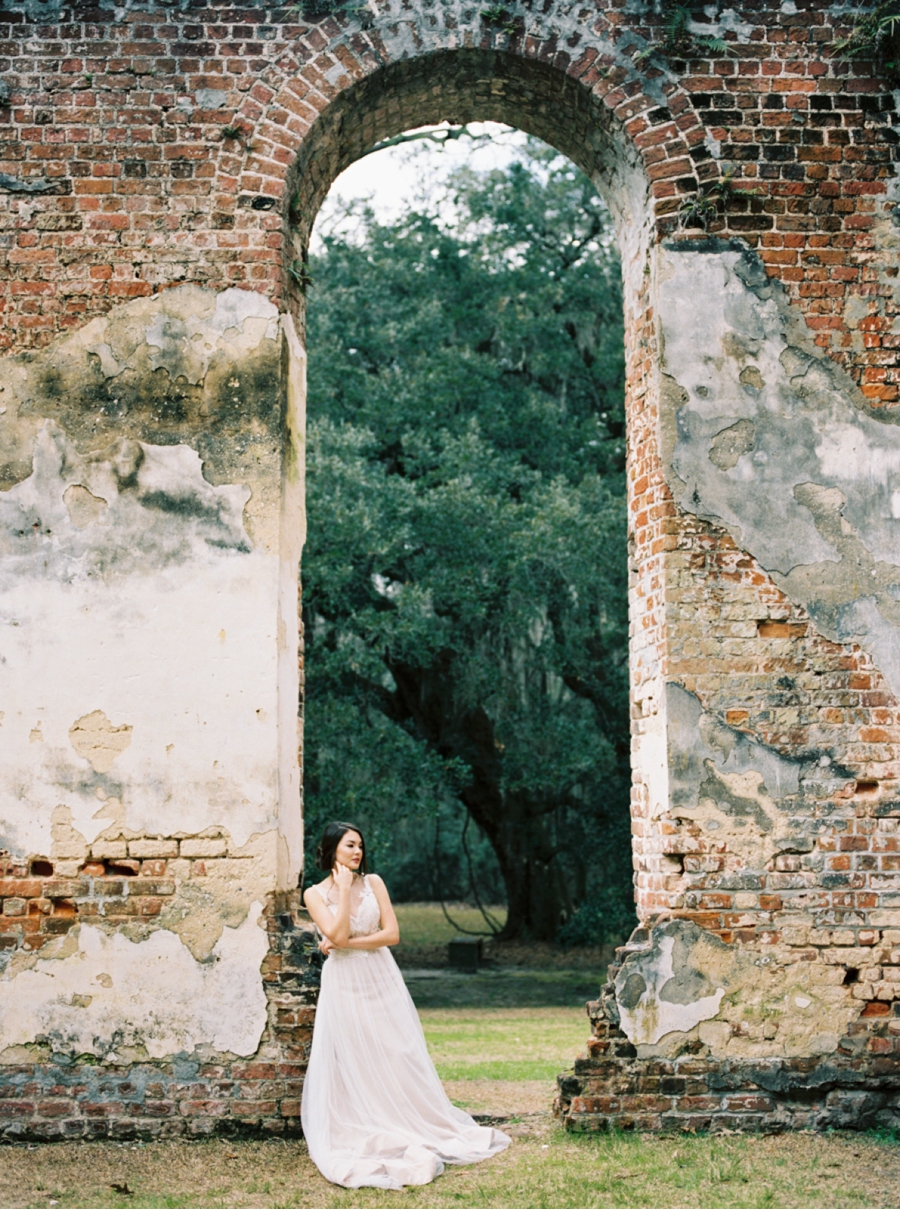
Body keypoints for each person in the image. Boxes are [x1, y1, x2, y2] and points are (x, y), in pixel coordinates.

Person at [300, 820, 510, 1189]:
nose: (357, 852)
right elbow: (334, 932)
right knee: (354, 1053)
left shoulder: (375, 882)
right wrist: (345, 892)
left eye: (360, 845)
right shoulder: (314, 894)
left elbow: (391, 934)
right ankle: (367, 1121)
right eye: (350, 845)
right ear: (332, 848)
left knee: (398, 1049)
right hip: (343, 982)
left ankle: (414, 1118)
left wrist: (346, 942)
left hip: (380, 975)